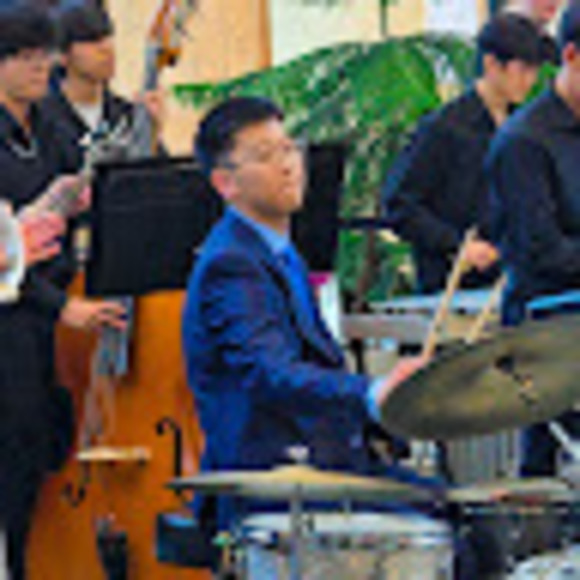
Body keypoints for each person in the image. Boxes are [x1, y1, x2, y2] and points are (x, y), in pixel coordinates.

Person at [182, 96, 432, 534]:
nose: (288, 165)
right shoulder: (232, 263)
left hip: (321, 465)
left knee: (457, 511)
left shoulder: (278, 250)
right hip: (273, 481)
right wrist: (371, 392)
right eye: (265, 155)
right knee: (441, 531)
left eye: (289, 148)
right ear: (225, 183)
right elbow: (270, 372)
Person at [0, 4, 125, 578]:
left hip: (50, 308)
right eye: (23, 56)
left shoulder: (49, 126)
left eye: (43, 54)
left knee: (47, 442)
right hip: (14, 318)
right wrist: (60, 304)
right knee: (16, 453)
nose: (40, 66)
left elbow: (80, 199)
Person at [382, 14, 544, 294]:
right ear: (491, 64)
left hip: (512, 283)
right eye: (523, 70)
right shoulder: (443, 127)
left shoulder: (524, 127)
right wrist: (457, 244)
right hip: (452, 290)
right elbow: (399, 205)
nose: (531, 80)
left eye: (535, 70)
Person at [487, 3, 580, 476]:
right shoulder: (524, 141)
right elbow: (542, 253)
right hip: (548, 334)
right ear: (571, 56)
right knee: (549, 475)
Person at [41, 0, 164, 170]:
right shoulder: (40, 119)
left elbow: (158, 179)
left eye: (107, 37)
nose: (106, 48)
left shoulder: (126, 115)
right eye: (91, 40)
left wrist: (153, 134)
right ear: (62, 55)